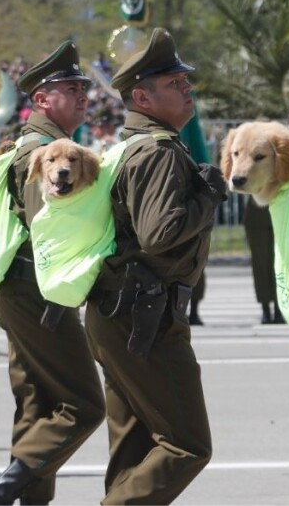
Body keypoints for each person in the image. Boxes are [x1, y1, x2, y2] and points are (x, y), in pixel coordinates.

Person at [84, 27, 225, 504]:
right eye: (173, 84)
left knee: (135, 445)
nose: (186, 88)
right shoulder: (159, 151)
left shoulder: (131, 145)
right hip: (144, 314)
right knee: (187, 444)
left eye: (184, 80)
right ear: (141, 96)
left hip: (123, 310)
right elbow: (160, 233)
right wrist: (207, 197)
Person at [0, 41, 105, 506]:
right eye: (70, 88)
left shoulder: (33, 145)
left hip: (22, 289)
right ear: (42, 100)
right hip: (37, 292)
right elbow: (46, 219)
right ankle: (0, 493)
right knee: (83, 405)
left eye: (84, 87)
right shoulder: (39, 152)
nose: (83, 95)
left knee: (37, 405)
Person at [243, 197, 282, 324]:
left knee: (280, 264)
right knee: (261, 264)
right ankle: (266, 309)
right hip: (257, 214)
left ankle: (279, 309)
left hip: (281, 210)